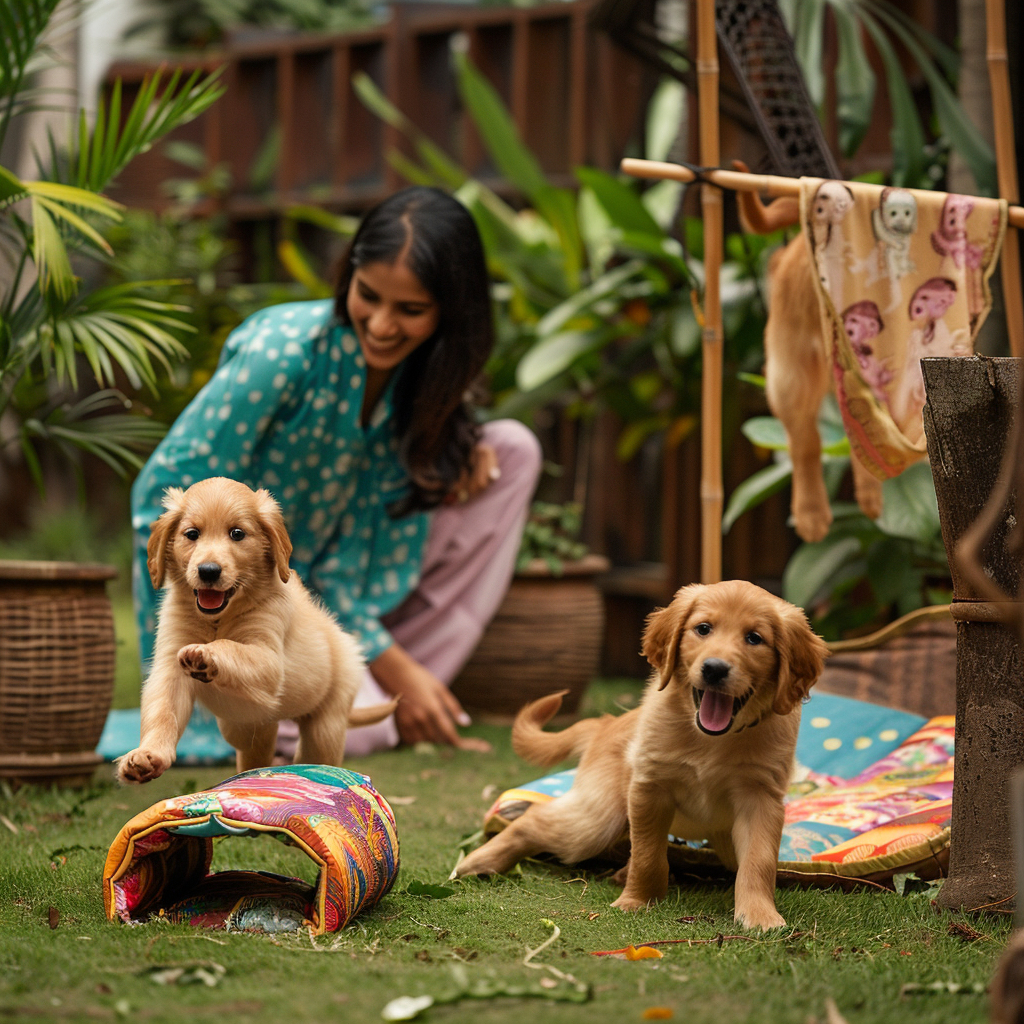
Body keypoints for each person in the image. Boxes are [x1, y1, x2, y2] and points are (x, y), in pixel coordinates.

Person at [130, 186, 543, 756]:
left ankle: (408, 683)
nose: (380, 324)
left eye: (411, 310)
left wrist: (458, 434)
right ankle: (296, 706)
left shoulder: (424, 378)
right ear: (347, 273)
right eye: (367, 295)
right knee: (360, 723)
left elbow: (353, 560)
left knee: (512, 448)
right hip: (249, 606)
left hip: (346, 609)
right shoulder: (282, 354)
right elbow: (160, 494)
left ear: (451, 312)